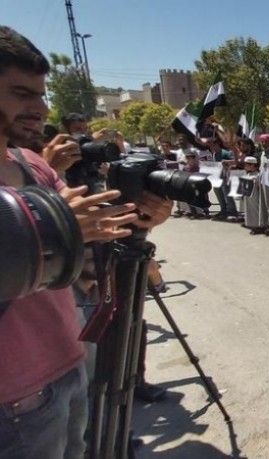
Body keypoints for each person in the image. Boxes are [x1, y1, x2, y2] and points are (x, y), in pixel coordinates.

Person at [0, 26, 170, 458]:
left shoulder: (33, 164)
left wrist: (138, 221)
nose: (40, 108)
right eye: (21, 94)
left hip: (70, 361)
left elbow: (89, 247)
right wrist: (51, 228)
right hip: (14, 396)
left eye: (40, 94)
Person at [240, 156, 264, 234]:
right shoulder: (247, 174)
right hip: (248, 196)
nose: (245, 166)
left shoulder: (258, 175)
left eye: (247, 164)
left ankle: (258, 226)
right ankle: (250, 224)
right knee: (248, 209)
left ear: (252, 165)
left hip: (255, 196)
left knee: (255, 209)